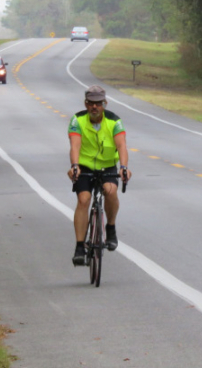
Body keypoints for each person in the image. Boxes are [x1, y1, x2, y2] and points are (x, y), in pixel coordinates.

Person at [67, 85, 132, 266]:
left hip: (107, 166)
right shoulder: (77, 120)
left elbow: (122, 146)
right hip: (85, 166)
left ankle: (110, 228)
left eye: (98, 103)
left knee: (110, 191)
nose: (94, 107)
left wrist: (124, 167)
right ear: (86, 104)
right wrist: (74, 166)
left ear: (105, 103)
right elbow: (75, 146)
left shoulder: (114, 121)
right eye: (91, 103)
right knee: (83, 199)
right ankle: (80, 246)